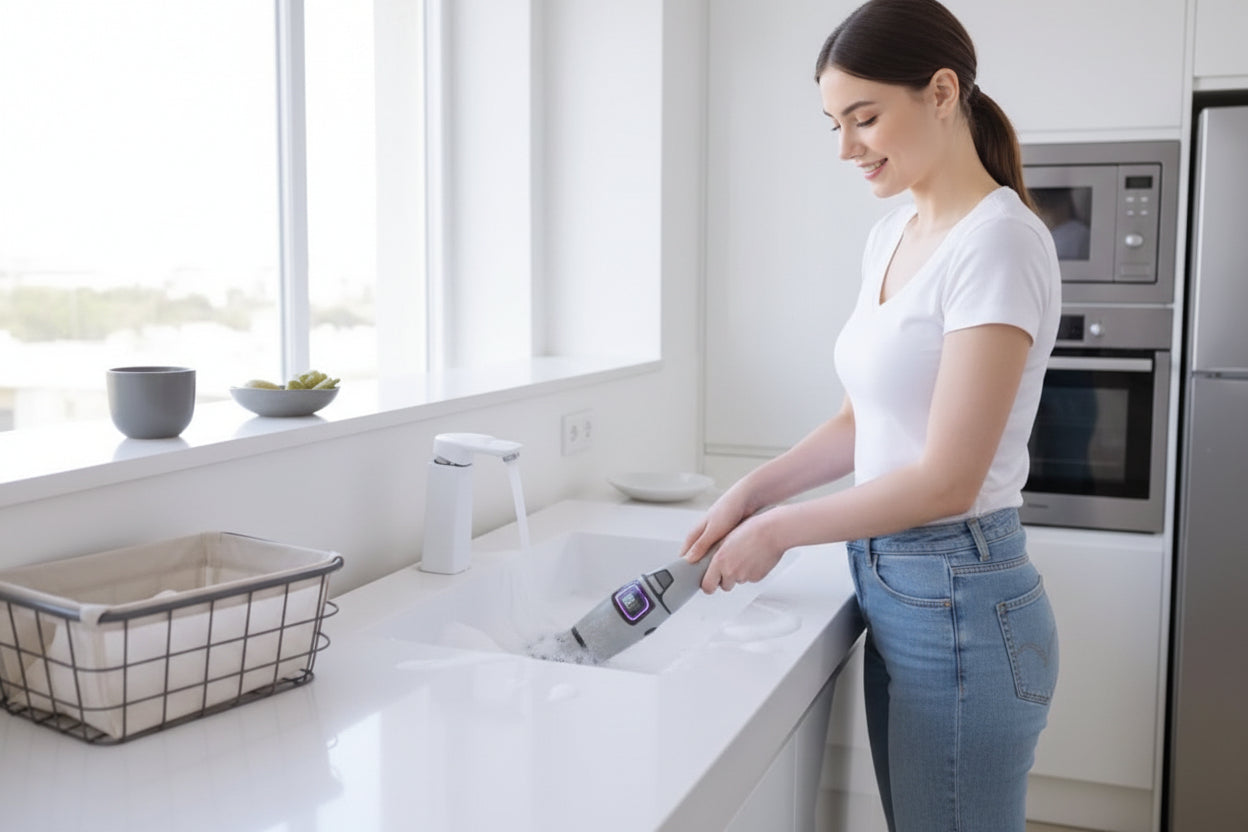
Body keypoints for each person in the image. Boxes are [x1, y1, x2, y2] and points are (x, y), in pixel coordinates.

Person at [680, 1, 1061, 830]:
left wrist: (781, 532)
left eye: (864, 118)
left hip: (960, 592)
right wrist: (754, 491)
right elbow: (864, 422)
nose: (847, 147)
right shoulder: (892, 235)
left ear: (941, 91)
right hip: (899, 587)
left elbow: (949, 480)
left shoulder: (998, 243)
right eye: (834, 124)